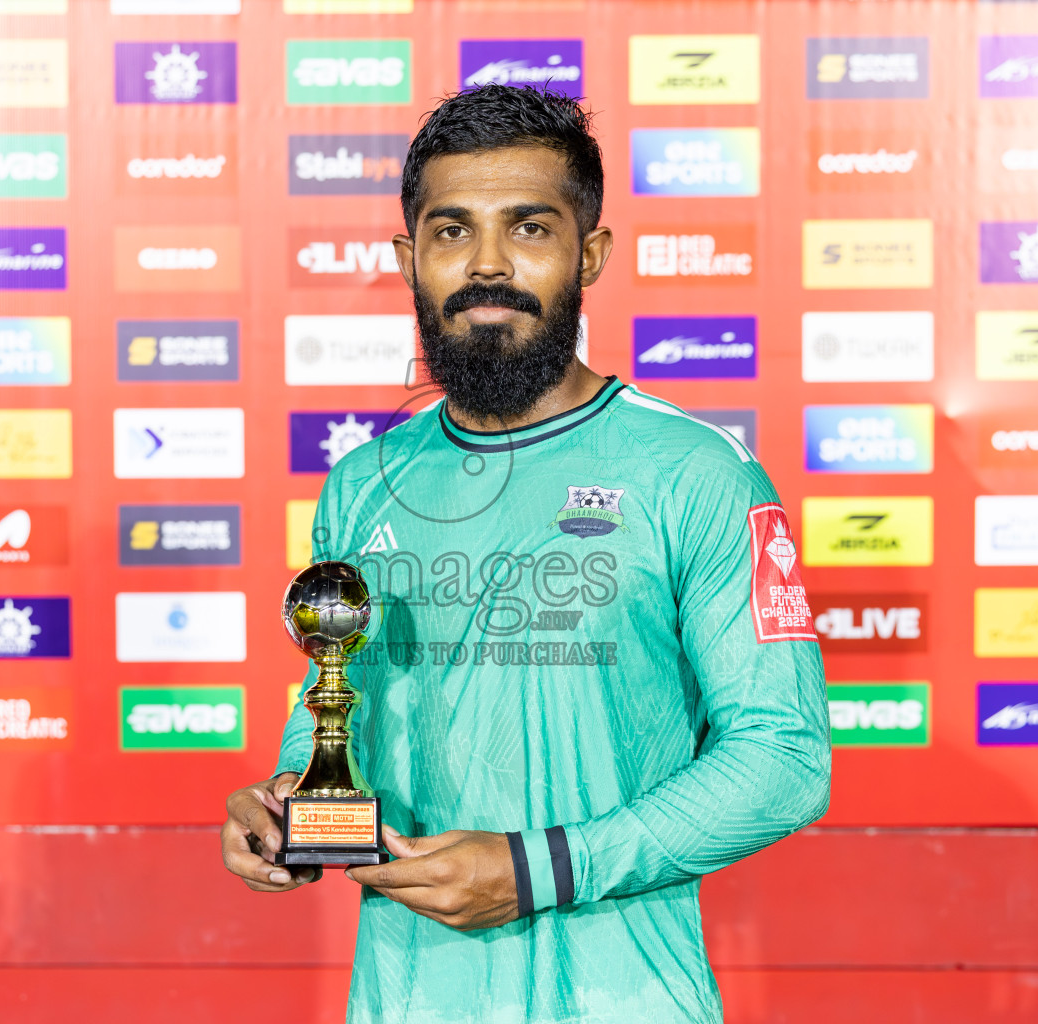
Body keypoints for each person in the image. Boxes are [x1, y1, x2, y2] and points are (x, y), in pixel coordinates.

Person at [221, 84, 831, 1024]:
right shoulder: (363, 484)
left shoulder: (697, 472)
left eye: (531, 229)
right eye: (453, 231)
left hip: (628, 1000)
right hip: (409, 997)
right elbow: (342, 707)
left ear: (590, 253)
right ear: (409, 256)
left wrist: (542, 867)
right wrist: (292, 810)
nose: (488, 265)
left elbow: (784, 759)